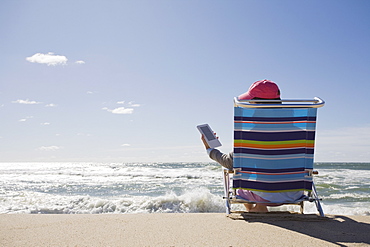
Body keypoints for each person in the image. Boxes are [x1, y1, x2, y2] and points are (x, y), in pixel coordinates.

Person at [201, 79, 304, 213]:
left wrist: (210, 149)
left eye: (251, 101)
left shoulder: (251, 134)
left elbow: (229, 162)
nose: (249, 104)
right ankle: (258, 207)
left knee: (240, 178)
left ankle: (257, 208)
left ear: (257, 104)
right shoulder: (300, 133)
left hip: (263, 195)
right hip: (294, 194)